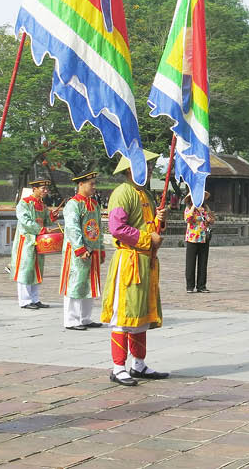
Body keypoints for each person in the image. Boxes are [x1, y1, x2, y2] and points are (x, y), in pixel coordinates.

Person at [101, 151, 169, 385]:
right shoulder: (123, 193)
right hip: (129, 260)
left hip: (146, 260)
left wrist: (160, 220)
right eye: (143, 166)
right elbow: (117, 228)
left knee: (141, 315)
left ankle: (138, 364)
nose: (148, 171)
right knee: (124, 313)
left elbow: (149, 226)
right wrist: (148, 238)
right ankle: (118, 367)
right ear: (130, 169)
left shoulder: (146, 194)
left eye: (149, 167)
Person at [60, 171, 104, 330]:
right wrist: (80, 248)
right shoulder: (73, 204)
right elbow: (72, 228)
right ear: (80, 184)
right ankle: (71, 320)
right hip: (77, 251)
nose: (94, 186)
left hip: (93, 249)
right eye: (91, 184)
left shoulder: (94, 204)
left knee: (89, 283)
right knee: (75, 282)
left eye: (94, 183)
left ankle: (85, 317)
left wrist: (101, 248)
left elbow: (98, 227)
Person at [12, 179, 60, 309]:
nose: (46, 191)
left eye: (46, 189)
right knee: (25, 270)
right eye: (43, 188)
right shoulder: (24, 203)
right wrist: (41, 230)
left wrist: (52, 216)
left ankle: (35, 298)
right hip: (26, 241)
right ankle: (25, 301)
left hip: (39, 241)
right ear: (35, 189)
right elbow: (25, 221)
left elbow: (46, 221)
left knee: (37, 269)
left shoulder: (42, 205)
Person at [184, 190, 214, 293]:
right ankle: (190, 286)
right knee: (190, 263)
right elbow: (187, 219)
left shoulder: (205, 208)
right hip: (192, 239)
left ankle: (201, 286)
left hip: (204, 238)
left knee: (203, 263)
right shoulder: (189, 208)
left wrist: (209, 219)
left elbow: (212, 219)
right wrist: (194, 207)